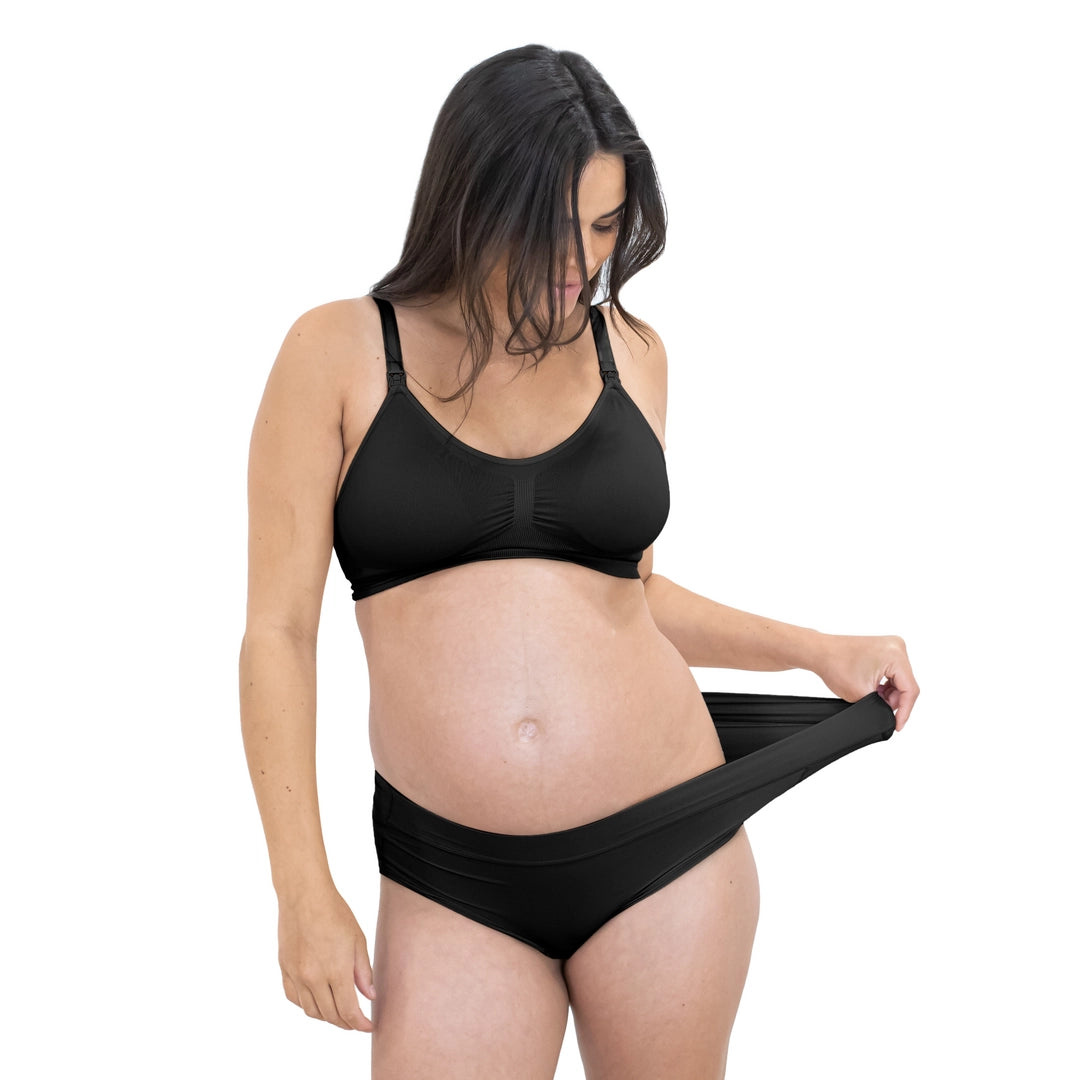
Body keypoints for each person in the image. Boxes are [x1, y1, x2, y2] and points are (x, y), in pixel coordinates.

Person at [239, 43, 918, 1079]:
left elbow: (626, 593)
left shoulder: (629, 354)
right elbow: (279, 633)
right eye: (553, 227)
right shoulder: (337, 353)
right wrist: (301, 889)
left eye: (604, 227)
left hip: (667, 849)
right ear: (472, 200)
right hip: (452, 874)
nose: (582, 263)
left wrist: (816, 649)